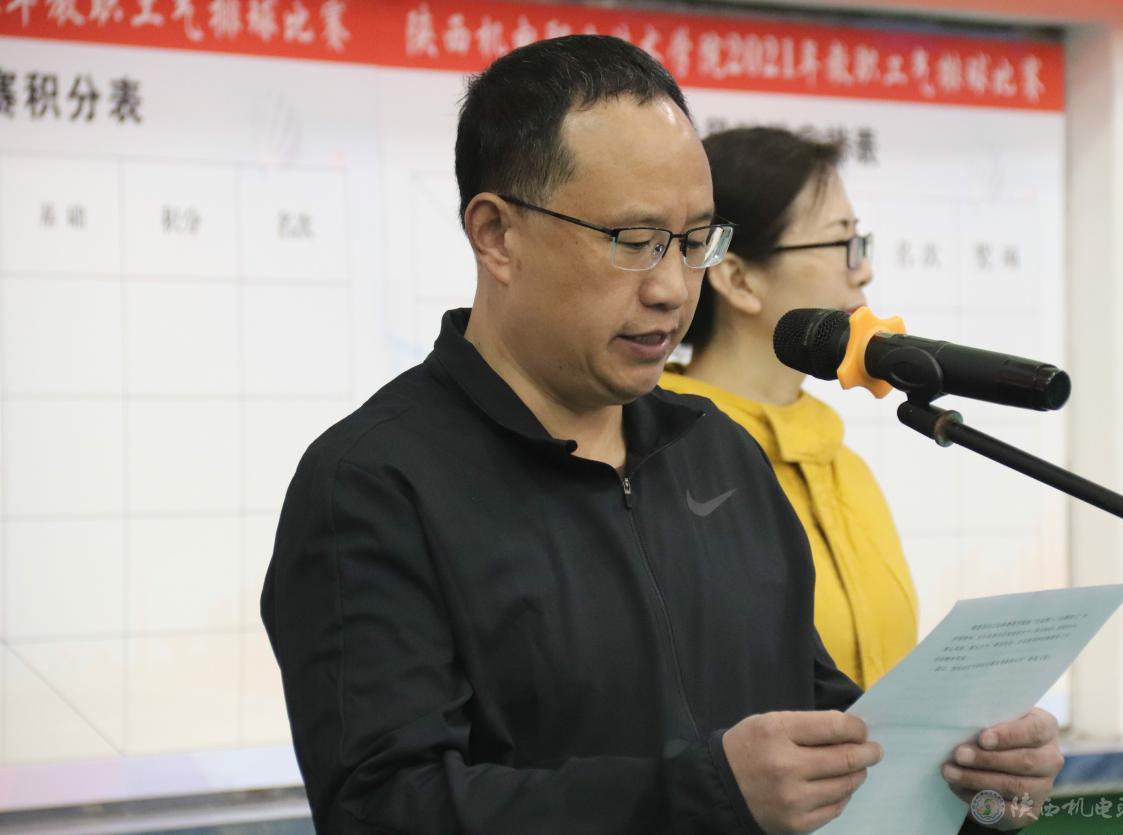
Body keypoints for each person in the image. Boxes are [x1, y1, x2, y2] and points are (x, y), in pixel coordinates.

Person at [261, 35, 1062, 834]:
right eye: (634, 242)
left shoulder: (717, 451)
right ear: (496, 235)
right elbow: (383, 809)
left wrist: (964, 779)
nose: (674, 288)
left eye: (694, 242)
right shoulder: (374, 484)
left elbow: (822, 727)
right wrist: (705, 796)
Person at [660, 127, 916, 690]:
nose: (863, 271)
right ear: (737, 277)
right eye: (840, 243)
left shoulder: (845, 468)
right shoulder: (664, 466)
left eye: (860, 242)